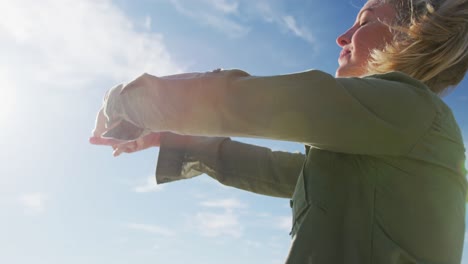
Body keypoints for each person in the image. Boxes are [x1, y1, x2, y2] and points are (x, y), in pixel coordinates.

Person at [90, 0, 468, 263]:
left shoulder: (408, 109)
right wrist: (174, 140)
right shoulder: (392, 138)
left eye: (365, 20)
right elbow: (279, 173)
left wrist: (124, 102)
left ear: (413, 32)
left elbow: (243, 102)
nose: (344, 35)